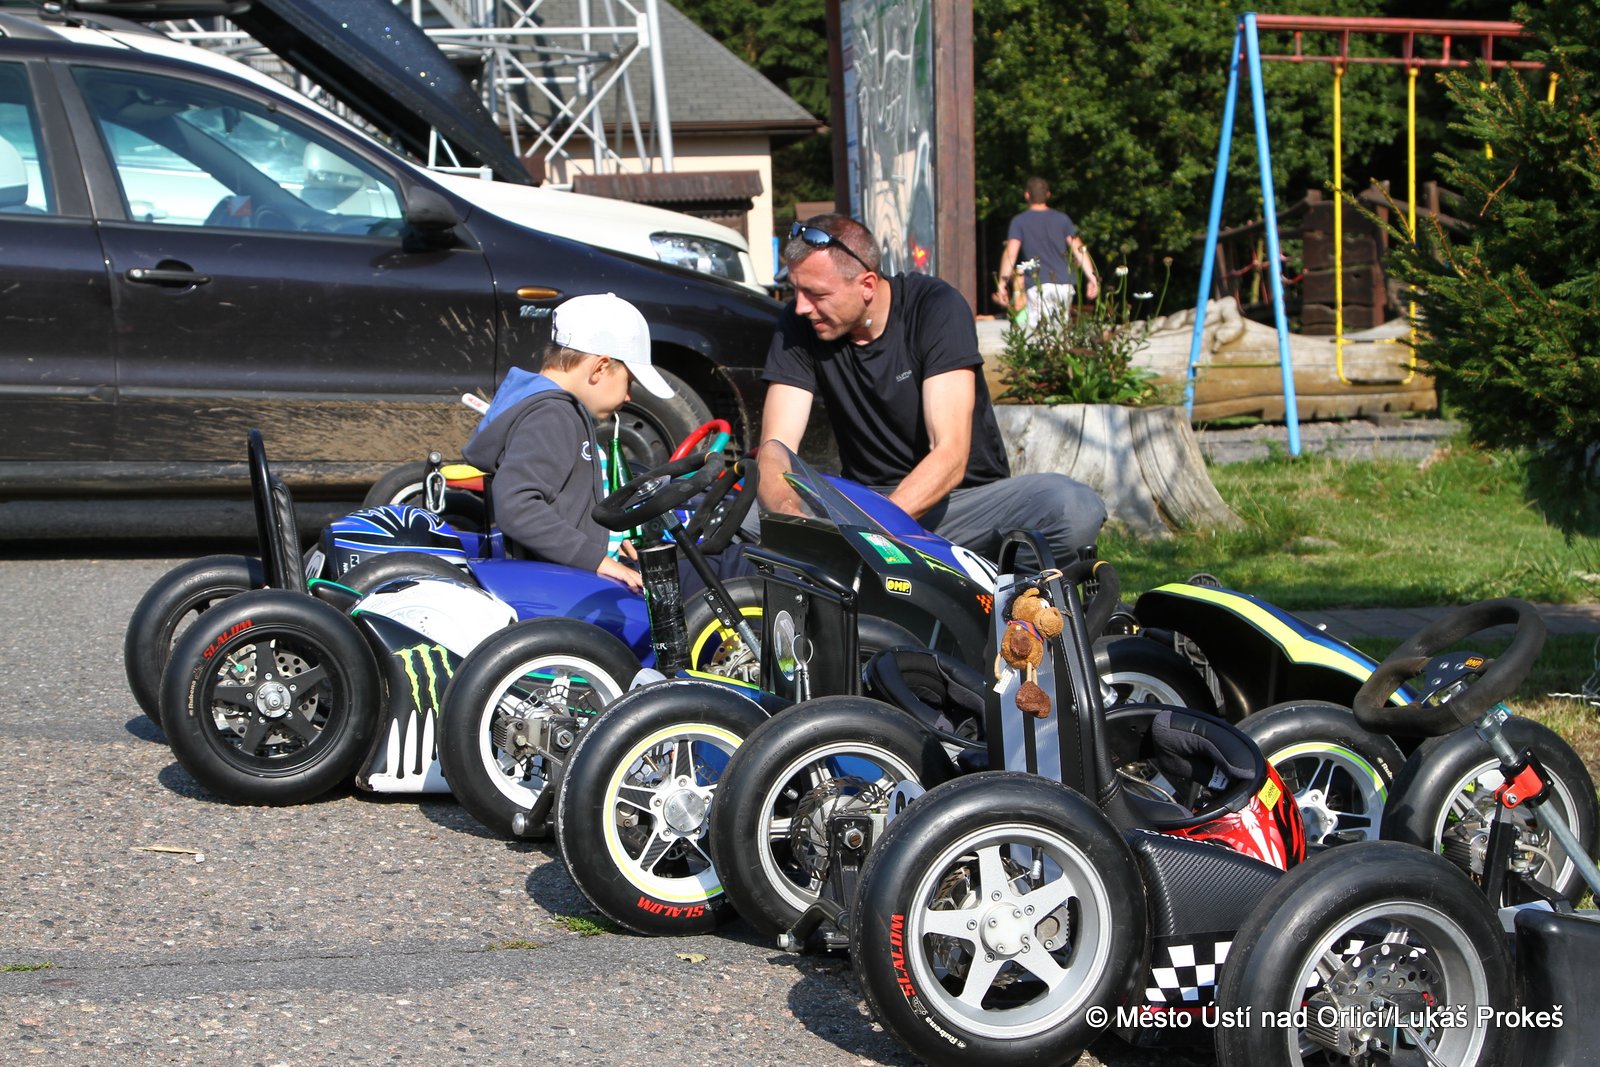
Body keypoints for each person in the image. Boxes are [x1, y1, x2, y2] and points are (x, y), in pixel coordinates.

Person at [761, 214, 1107, 564]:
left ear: (867, 284)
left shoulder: (935, 307)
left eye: (817, 294)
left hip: (961, 505)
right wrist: (789, 517)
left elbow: (950, 455)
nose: (801, 306)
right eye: (796, 290)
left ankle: (999, 587)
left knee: (1073, 508)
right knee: (743, 512)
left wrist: (869, 535)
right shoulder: (799, 322)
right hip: (864, 501)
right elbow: (775, 448)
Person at [462, 292, 673, 593]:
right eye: (629, 381)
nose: (628, 396)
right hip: (568, 586)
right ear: (600, 368)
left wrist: (607, 538)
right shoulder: (553, 415)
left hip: (571, 572)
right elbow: (518, 506)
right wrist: (598, 560)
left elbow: (565, 499)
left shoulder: (547, 407)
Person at [993, 176, 1099, 327]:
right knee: (1061, 330)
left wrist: (1002, 283)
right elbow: (1079, 248)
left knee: (1039, 332)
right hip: (1064, 284)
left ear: (1027, 195)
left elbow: (1011, 253)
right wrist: (1093, 278)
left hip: (1038, 284)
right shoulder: (1062, 219)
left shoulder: (1020, 221)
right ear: (1048, 195)